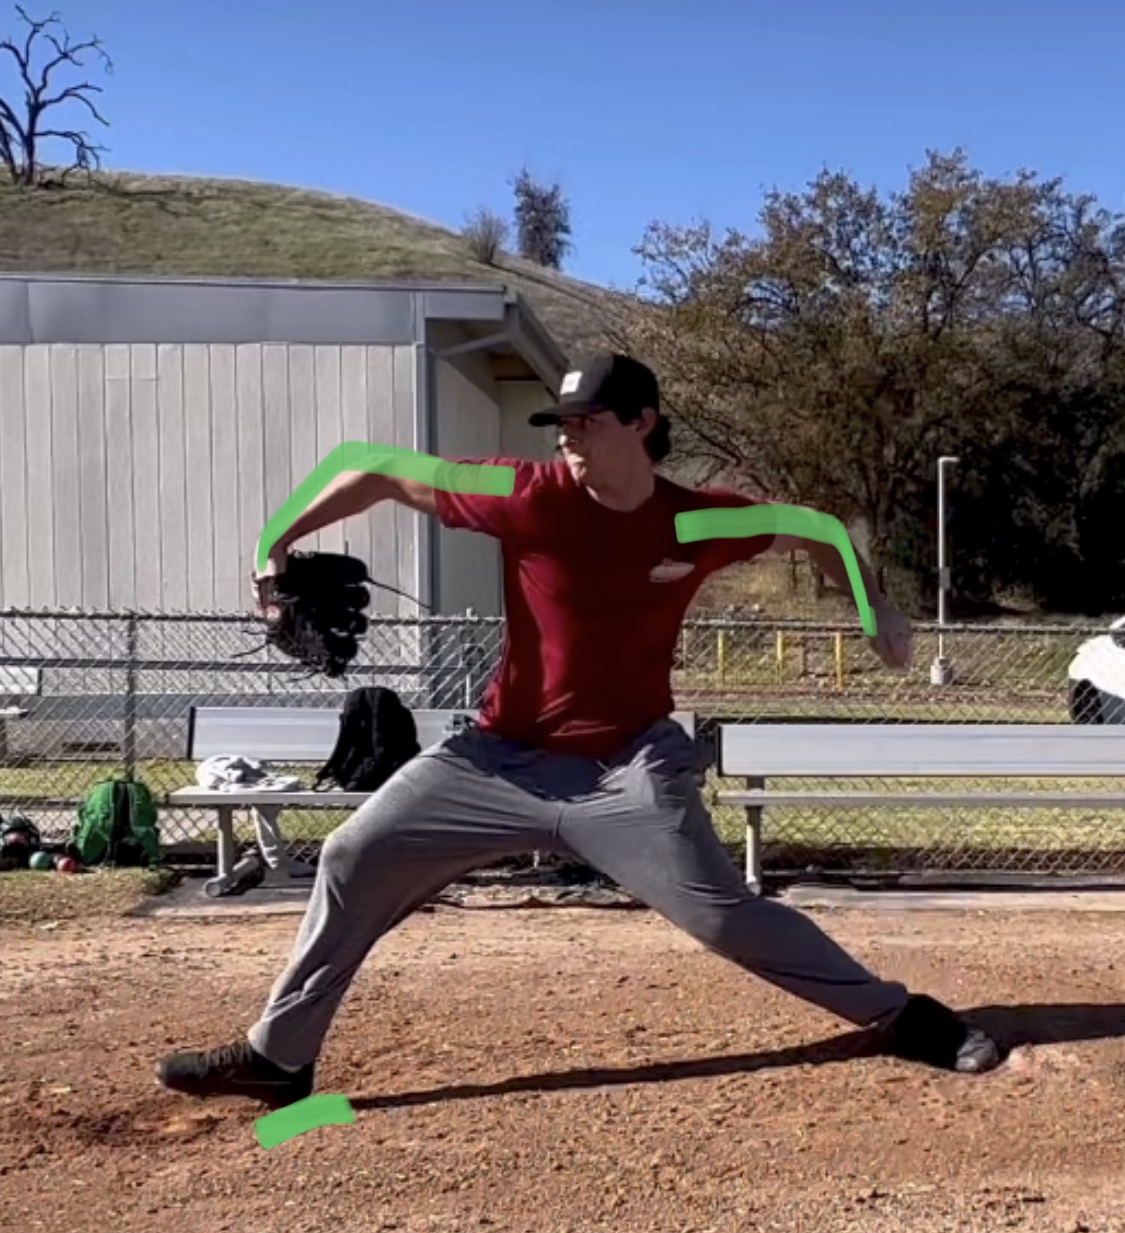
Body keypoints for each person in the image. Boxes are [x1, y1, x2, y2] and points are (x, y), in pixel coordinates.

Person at [157, 354, 1000, 1105]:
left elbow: (816, 530)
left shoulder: (695, 523)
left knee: (723, 917)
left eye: (587, 423)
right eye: (560, 425)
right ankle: (280, 1058)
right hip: (494, 758)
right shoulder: (523, 497)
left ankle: (904, 1015)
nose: (568, 439)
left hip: (627, 766)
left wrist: (876, 606)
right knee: (352, 854)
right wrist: (273, 554)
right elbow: (367, 466)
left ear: (642, 424)